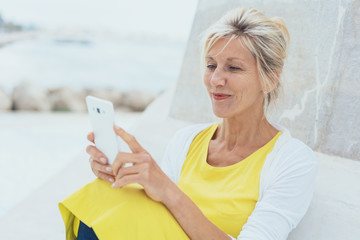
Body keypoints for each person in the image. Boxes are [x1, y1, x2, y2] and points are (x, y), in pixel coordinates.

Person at [59, 7, 318, 240]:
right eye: (211, 65)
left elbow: (171, 201)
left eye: (234, 68)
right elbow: (158, 219)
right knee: (106, 194)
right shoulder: (187, 141)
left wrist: (170, 191)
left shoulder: (292, 160)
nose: (216, 79)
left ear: (270, 80)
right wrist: (126, 178)